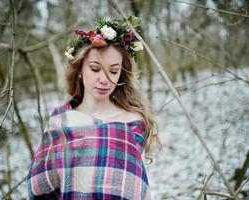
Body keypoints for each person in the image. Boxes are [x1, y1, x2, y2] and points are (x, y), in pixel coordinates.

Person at [27, 16, 161, 200]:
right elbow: (40, 187)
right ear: (80, 70)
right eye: (95, 69)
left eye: (113, 71)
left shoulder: (133, 122)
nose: (104, 79)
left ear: (122, 73)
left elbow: (133, 186)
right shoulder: (61, 122)